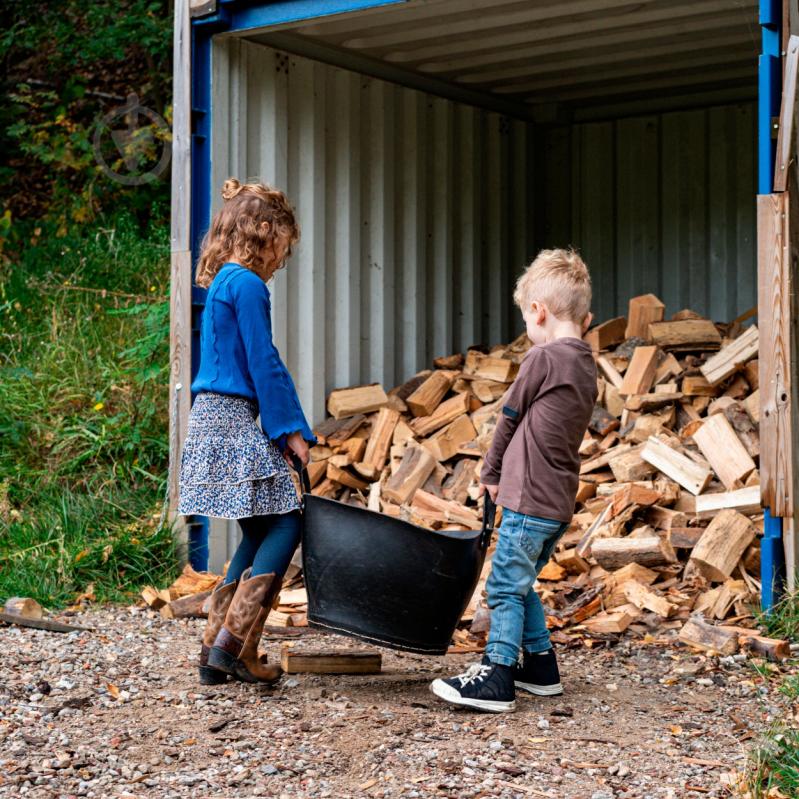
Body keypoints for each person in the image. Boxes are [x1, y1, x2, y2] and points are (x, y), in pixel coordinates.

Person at [431, 248, 597, 712]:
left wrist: (490, 471)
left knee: (503, 586)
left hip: (528, 501)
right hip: (556, 504)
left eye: (526, 316)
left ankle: (496, 674)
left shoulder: (542, 359)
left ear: (539, 312)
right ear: (586, 318)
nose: (527, 327)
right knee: (520, 583)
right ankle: (540, 666)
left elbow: (508, 416)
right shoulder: (585, 365)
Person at [177, 178, 315, 686]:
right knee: (286, 523)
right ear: (263, 231)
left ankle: (217, 649)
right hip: (233, 415)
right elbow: (264, 361)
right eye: (283, 245)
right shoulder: (249, 285)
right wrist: (291, 431)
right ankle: (235, 649)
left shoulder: (222, 284)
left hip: (210, 414)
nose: (282, 259)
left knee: (259, 526)